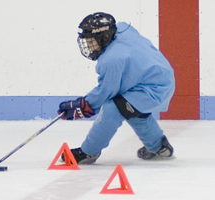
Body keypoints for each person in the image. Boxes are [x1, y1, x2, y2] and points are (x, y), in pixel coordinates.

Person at [58, 12, 175, 164]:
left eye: (91, 41)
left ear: (104, 37)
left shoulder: (113, 59)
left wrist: (84, 105)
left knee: (113, 108)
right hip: (155, 78)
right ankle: (160, 147)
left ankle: (89, 152)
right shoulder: (121, 29)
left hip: (154, 88)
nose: (88, 46)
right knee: (130, 108)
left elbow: (106, 92)